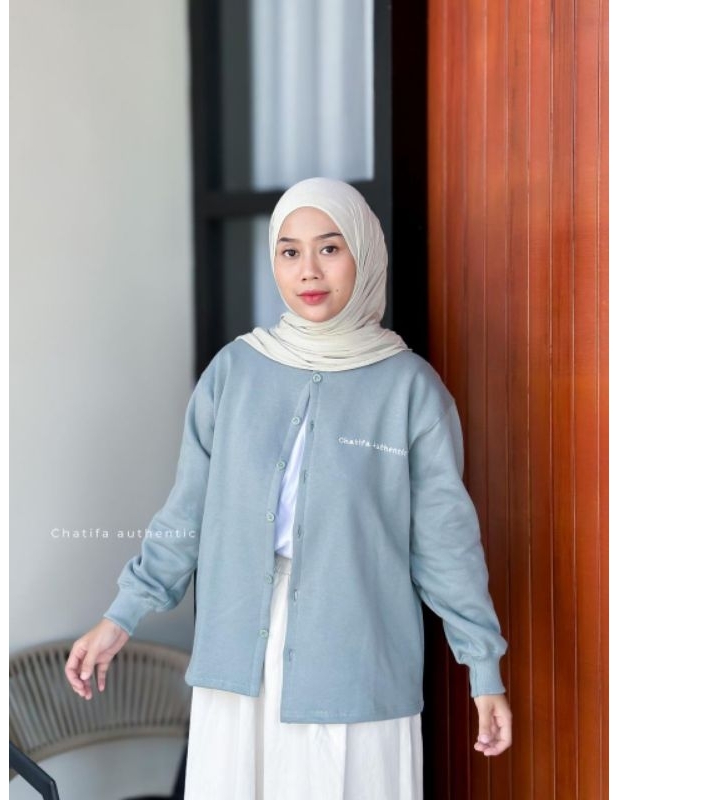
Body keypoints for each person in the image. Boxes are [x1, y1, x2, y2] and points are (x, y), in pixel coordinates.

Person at [65, 177, 512, 798]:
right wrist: (121, 617)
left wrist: (483, 668)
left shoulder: (410, 390)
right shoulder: (233, 372)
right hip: (237, 657)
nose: (309, 271)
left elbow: (445, 545)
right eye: (289, 251)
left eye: (329, 248)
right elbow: (186, 516)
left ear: (364, 253)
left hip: (357, 662)